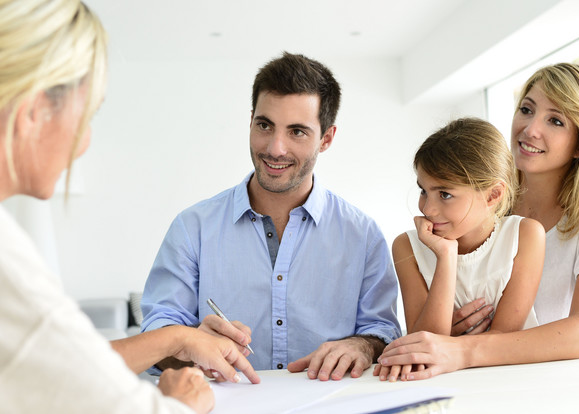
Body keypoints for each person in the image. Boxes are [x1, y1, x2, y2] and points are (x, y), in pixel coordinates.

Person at [0, 1, 257, 413]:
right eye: (88, 116)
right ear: (34, 107)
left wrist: (179, 338)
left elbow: (53, 363)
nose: (83, 144)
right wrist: (182, 404)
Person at [140, 51, 401, 381]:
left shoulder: (362, 234)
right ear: (251, 122)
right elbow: (157, 331)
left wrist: (363, 346)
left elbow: (383, 331)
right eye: (265, 125)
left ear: (327, 138)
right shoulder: (193, 228)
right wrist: (185, 345)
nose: (276, 148)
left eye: (297, 132)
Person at [375, 62, 579, 381]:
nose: (530, 129)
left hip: (562, 378)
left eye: (555, 120)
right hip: (478, 376)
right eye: (527, 109)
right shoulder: (482, 189)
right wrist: (447, 335)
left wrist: (463, 348)